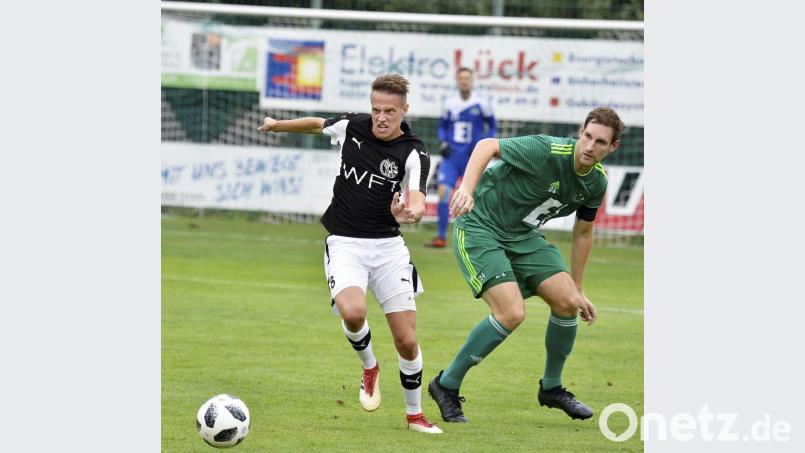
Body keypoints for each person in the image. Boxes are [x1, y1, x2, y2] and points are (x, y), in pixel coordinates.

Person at [257, 74, 442, 434]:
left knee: (406, 341)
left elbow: (418, 199)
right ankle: (370, 367)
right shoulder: (354, 126)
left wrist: (410, 212)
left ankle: (415, 416)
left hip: (388, 249)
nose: (381, 118)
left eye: (389, 111)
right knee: (354, 313)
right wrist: (277, 125)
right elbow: (317, 124)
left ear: (404, 110)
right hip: (345, 241)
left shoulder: (414, 151)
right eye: (376, 110)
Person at [427, 107, 624, 424]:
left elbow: (583, 233)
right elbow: (486, 146)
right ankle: (446, 384)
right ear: (580, 131)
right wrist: (466, 189)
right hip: (481, 226)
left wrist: (579, 288)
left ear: (613, 146)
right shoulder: (546, 150)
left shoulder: (596, 182)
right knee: (511, 313)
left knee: (568, 302)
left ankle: (551, 388)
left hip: (523, 235)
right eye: (587, 136)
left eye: (600, 142)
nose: (590, 146)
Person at [425, 67, 497, 248]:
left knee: (477, 197)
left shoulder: (482, 103)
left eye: (467, 78)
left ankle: (478, 238)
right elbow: (442, 126)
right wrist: (443, 142)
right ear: (457, 81)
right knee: (443, 193)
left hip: (472, 158)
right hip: (451, 158)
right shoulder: (449, 104)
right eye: (461, 78)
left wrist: (483, 144)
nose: (464, 81)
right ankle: (441, 237)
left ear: (472, 81)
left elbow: (492, 126)